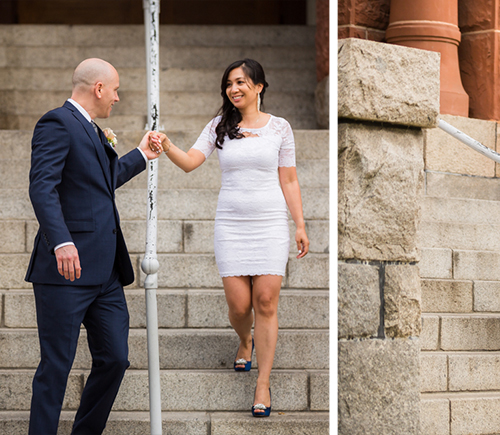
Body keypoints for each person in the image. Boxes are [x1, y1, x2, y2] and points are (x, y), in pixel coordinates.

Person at [149, 58, 308, 417]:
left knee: (265, 301)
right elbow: (191, 161)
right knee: (239, 307)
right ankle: (245, 338)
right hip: (231, 225)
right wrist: (167, 145)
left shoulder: (280, 128)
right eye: (228, 84)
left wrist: (299, 223)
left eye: (240, 82)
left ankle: (262, 384)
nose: (233, 89)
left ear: (259, 87)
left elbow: (289, 179)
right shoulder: (219, 126)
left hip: (269, 222)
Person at [25, 58, 159, 435]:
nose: (117, 97)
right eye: (114, 89)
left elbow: (102, 181)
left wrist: (140, 155)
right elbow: (42, 187)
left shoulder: (94, 130)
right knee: (56, 367)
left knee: (115, 358)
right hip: (65, 271)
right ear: (98, 88)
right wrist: (61, 241)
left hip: (106, 274)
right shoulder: (57, 122)